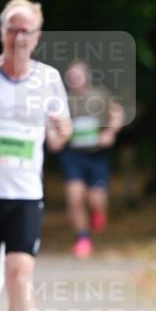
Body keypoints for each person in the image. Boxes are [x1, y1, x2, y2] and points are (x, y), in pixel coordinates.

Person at [0, 0, 71, 311]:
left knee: (20, 276)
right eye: (13, 30)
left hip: (25, 196)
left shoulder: (48, 79)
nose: (20, 38)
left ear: (37, 37)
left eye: (27, 31)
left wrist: (61, 127)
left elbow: (57, 140)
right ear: (2, 32)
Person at [59, 60, 124, 258]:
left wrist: (110, 133)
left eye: (78, 75)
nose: (75, 79)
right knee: (75, 198)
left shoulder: (99, 96)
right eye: (71, 75)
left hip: (96, 154)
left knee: (95, 198)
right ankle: (82, 239)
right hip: (72, 154)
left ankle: (98, 211)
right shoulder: (63, 100)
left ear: (87, 76)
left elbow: (118, 113)